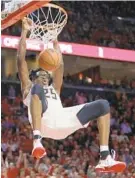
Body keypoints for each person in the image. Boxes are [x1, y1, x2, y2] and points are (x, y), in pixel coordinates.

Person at [17, 18, 126, 173]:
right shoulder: (29, 87)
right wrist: (24, 31)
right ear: (32, 77)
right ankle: (37, 140)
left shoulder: (54, 88)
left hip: (64, 121)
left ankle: (105, 157)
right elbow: (21, 59)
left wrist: (55, 41)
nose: (44, 76)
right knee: (37, 90)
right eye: (40, 74)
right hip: (44, 124)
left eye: (46, 75)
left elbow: (60, 65)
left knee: (103, 105)